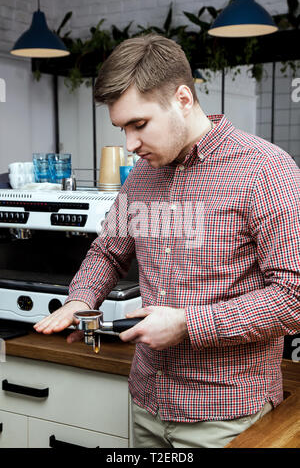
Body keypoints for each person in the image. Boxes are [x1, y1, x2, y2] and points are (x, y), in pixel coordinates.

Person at [34, 34, 300, 448]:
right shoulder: (141, 175)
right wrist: (80, 299)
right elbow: (109, 251)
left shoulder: (266, 170)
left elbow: (293, 297)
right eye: (122, 128)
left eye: (139, 124)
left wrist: (187, 325)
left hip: (225, 417)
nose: (130, 145)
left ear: (182, 98)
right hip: (146, 405)